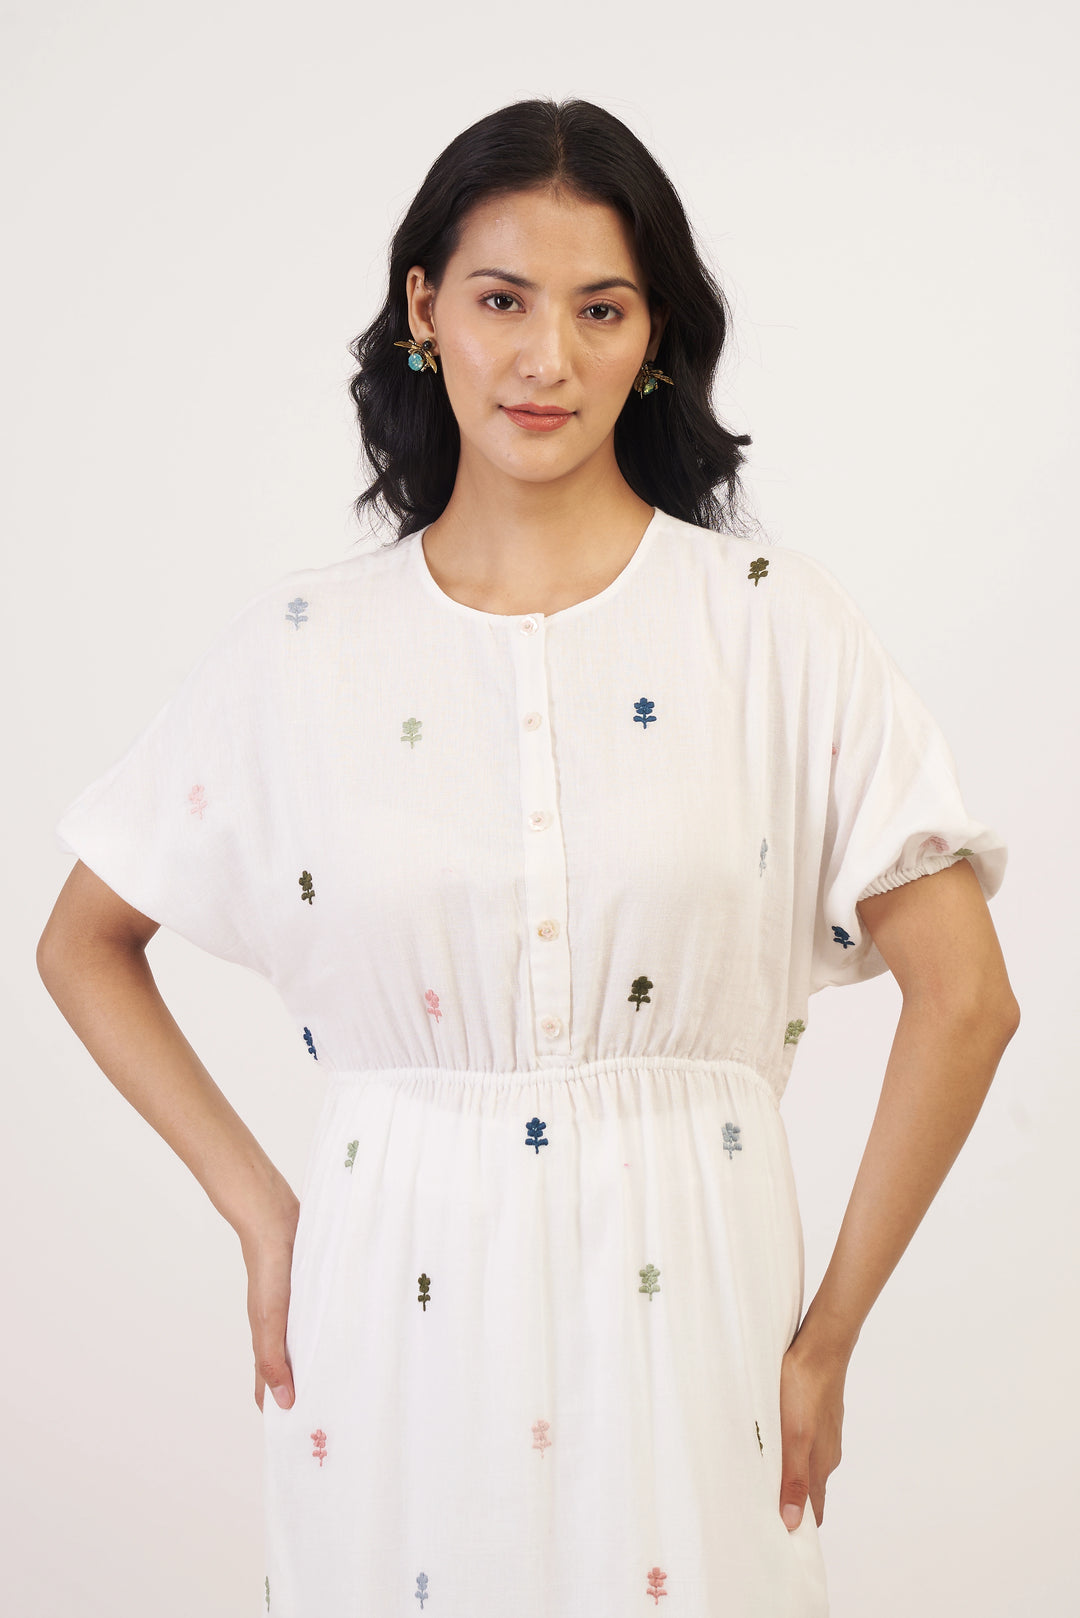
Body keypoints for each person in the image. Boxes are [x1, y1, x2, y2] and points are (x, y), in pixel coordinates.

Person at [36, 96, 1018, 1617]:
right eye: (501, 300)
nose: (546, 359)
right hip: (390, 1326)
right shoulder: (304, 652)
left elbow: (968, 998)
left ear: (657, 336)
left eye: (600, 307)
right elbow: (80, 937)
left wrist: (827, 1337)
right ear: (426, 311)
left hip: (697, 1320)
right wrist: (263, 1209)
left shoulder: (768, 623)